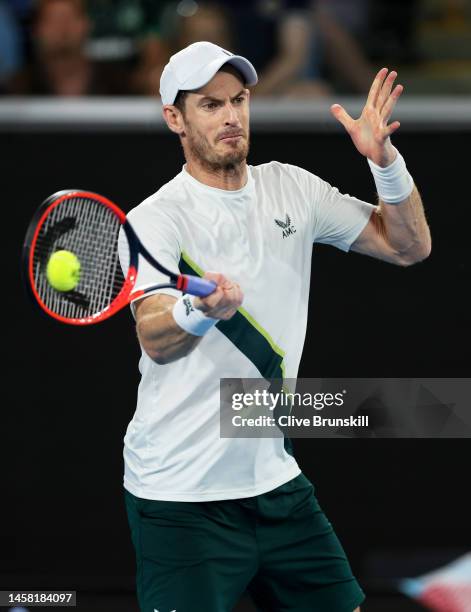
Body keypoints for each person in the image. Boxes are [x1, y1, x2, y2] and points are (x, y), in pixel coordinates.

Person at [118, 41, 431, 612]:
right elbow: (154, 335)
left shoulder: (292, 187)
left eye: (238, 100)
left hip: (276, 486)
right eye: (210, 105)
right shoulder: (152, 221)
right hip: (181, 497)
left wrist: (385, 163)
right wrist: (200, 309)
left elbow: (409, 246)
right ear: (175, 119)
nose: (231, 116)